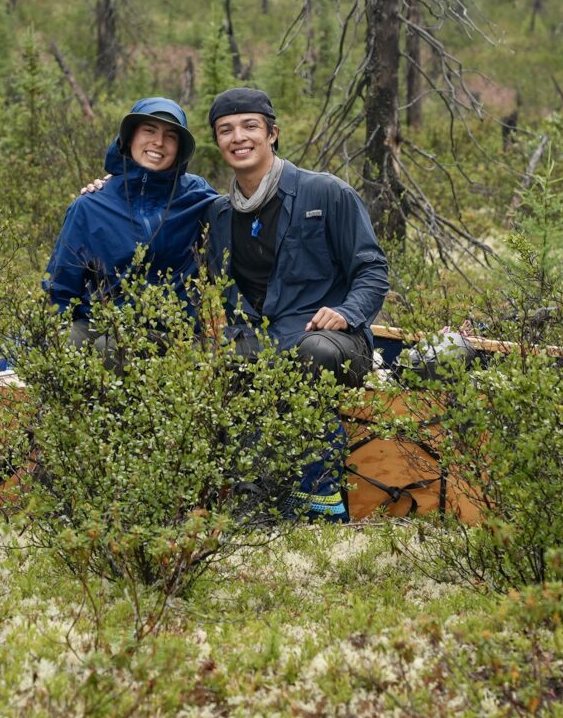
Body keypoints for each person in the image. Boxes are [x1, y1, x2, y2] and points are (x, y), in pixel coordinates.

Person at [202, 86, 389, 521]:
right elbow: (164, 192)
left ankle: (318, 499)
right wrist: (108, 180)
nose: (238, 137)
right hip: (261, 341)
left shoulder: (326, 194)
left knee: (312, 353)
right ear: (217, 142)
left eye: (250, 126)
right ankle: (254, 499)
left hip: (333, 342)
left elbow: (372, 270)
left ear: (272, 134)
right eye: (226, 130)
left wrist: (345, 312)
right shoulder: (218, 214)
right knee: (226, 361)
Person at [43, 97, 221, 354]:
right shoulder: (91, 206)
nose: (158, 142)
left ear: (180, 149)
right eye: (149, 130)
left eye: (170, 136)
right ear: (128, 139)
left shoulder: (199, 198)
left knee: (112, 348)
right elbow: (59, 289)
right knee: (65, 343)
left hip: (173, 333)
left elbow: (244, 217)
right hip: (98, 324)